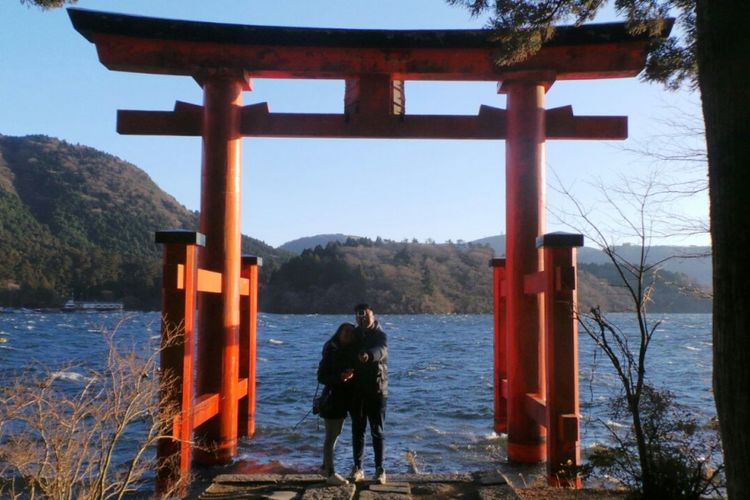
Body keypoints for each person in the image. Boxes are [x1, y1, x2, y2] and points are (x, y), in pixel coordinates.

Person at [349, 303, 388, 485]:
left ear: (373, 314)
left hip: (377, 389)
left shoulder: (380, 334)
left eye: (365, 315)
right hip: (356, 389)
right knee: (358, 429)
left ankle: (380, 469)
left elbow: (381, 350)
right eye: (359, 315)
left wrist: (368, 355)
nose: (362, 318)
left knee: (377, 430)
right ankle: (358, 467)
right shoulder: (354, 334)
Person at [317, 322, 359, 485]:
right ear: (338, 333)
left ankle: (324, 467)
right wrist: (340, 378)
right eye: (345, 331)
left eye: (351, 332)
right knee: (331, 436)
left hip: (343, 399)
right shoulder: (331, 350)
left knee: (336, 433)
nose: (348, 334)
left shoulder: (347, 351)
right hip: (332, 398)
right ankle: (330, 473)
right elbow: (321, 377)